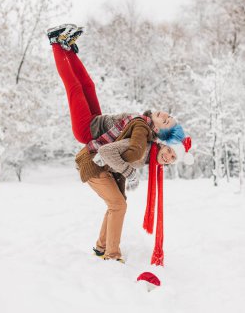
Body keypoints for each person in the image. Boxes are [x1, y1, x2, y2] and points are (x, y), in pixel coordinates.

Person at [47, 23, 193, 264]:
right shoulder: (143, 130)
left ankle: (60, 46)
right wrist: (131, 172)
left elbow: (128, 156)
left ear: (159, 133)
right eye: (166, 114)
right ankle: (61, 46)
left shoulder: (146, 138)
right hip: (90, 129)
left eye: (166, 120)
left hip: (89, 130)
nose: (164, 114)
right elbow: (122, 154)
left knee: (77, 88)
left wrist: (129, 173)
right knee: (83, 87)